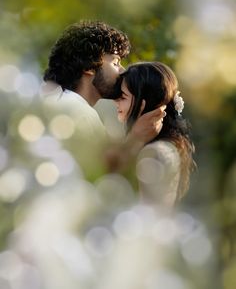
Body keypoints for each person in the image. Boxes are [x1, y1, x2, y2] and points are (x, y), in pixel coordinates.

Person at [42, 21, 166, 179]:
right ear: (89, 66)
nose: (122, 71)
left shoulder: (64, 104)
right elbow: (102, 176)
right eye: (115, 62)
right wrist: (137, 138)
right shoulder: (78, 112)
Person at [114, 61, 196, 207]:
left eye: (123, 97)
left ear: (145, 104)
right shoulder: (162, 145)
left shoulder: (155, 152)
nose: (116, 101)